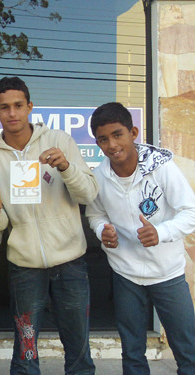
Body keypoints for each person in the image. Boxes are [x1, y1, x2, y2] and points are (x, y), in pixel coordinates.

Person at [0, 77, 98, 375]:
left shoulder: (58, 141)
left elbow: (88, 194)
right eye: (4, 108)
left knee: (79, 344)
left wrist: (66, 168)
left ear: (30, 107)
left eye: (19, 105)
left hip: (70, 260)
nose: (12, 113)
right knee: (26, 346)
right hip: (24, 265)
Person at [85, 102, 195, 375]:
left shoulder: (162, 168)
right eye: (103, 139)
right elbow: (94, 215)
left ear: (133, 132)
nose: (111, 144)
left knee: (188, 350)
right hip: (126, 274)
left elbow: (190, 211)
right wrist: (102, 231)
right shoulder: (99, 176)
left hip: (168, 274)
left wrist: (161, 232)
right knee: (132, 352)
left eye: (118, 134)